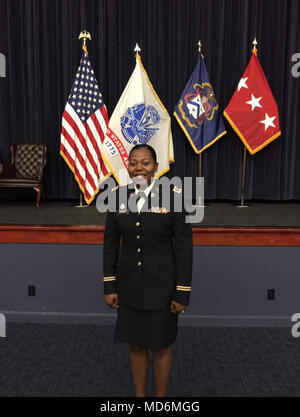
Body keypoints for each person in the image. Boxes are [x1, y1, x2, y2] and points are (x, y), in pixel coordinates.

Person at [103, 144, 193, 397]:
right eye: (133, 163)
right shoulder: (118, 197)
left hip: (162, 288)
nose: (138, 168)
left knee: (161, 346)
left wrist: (181, 292)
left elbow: (184, 248)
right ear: (128, 166)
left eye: (145, 163)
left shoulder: (174, 197)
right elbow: (110, 244)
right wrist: (110, 285)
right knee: (135, 344)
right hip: (129, 285)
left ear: (156, 167)